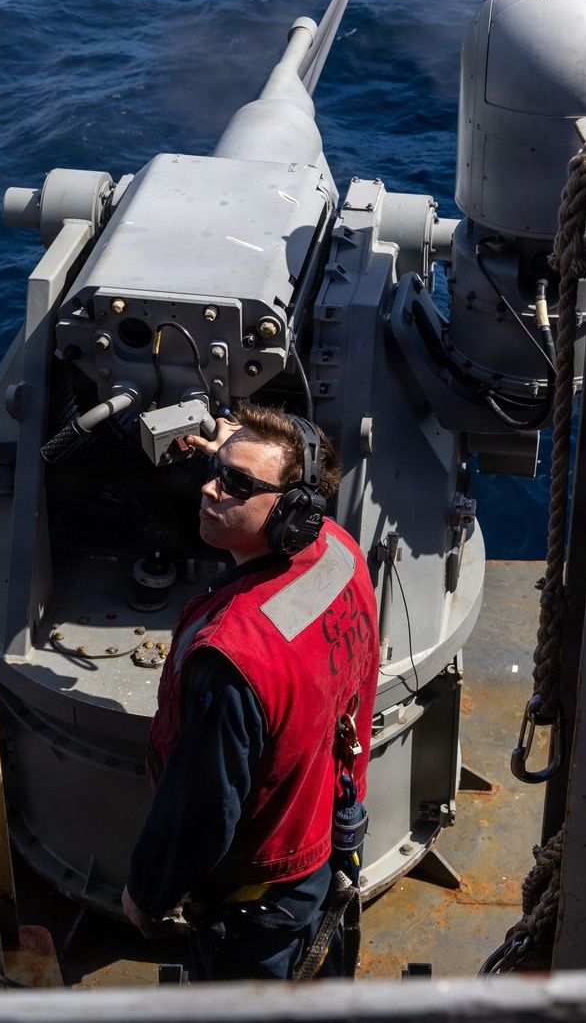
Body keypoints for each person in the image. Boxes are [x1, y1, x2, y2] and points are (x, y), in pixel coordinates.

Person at [121, 402, 379, 981]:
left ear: (291, 509)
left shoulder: (231, 659)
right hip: (326, 826)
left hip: (257, 886)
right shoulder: (338, 549)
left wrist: (148, 891)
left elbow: (204, 808)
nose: (209, 489)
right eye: (219, 470)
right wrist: (229, 447)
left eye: (235, 483)